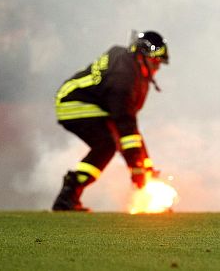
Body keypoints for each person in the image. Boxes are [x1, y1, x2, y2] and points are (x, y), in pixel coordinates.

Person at [51, 31, 169, 211]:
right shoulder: (123, 79)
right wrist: (137, 169)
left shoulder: (127, 63)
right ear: (141, 57)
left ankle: (69, 194)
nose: (156, 69)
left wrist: (145, 167)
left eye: (159, 64)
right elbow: (125, 126)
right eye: (154, 63)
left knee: (113, 143)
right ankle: (68, 195)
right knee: (105, 146)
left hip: (90, 103)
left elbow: (130, 128)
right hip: (75, 105)